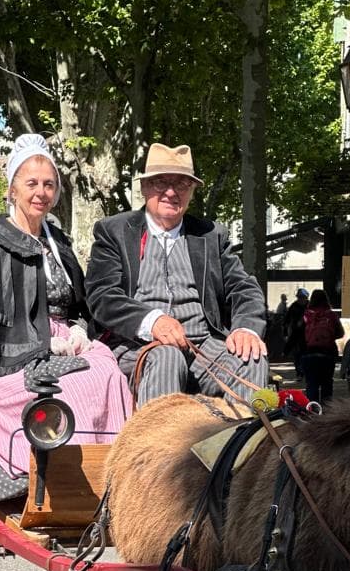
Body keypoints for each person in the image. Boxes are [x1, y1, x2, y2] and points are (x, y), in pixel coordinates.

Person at [0, 132, 132, 489]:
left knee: (110, 373)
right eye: (32, 183)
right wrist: (44, 344)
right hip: (6, 355)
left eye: (49, 184)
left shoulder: (59, 243)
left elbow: (78, 305)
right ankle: (62, 482)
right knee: (73, 387)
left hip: (65, 342)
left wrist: (80, 330)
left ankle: (110, 477)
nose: (41, 192)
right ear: (12, 190)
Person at [85, 142, 268, 406]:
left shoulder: (211, 235)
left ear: (192, 191)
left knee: (251, 358)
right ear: (145, 187)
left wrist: (245, 329)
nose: (171, 192)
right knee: (167, 357)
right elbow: (102, 295)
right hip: (137, 347)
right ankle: (159, 448)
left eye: (181, 184)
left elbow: (244, 288)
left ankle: (238, 445)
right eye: (161, 183)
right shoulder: (113, 231)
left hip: (204, 348)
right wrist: (152, 321)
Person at [300, 289, 344, 405]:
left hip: (309, 354)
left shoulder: (306, 315)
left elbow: (298, 334)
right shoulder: (331, 315)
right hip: (327, 354)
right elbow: (341, 333)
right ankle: (327, 412)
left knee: (311, 384)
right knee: (327, 384)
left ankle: (312, 410)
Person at [283, 288, 309, 379]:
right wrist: (285, 333)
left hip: (308, 334)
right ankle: (299, 372)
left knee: (306, 354)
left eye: (303, 297)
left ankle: (305, 371)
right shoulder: (294, 306)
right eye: (299, 297)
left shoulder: (310, 306)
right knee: (297, 354)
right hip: (296, 334)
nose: (301, 299)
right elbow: (286, 320)